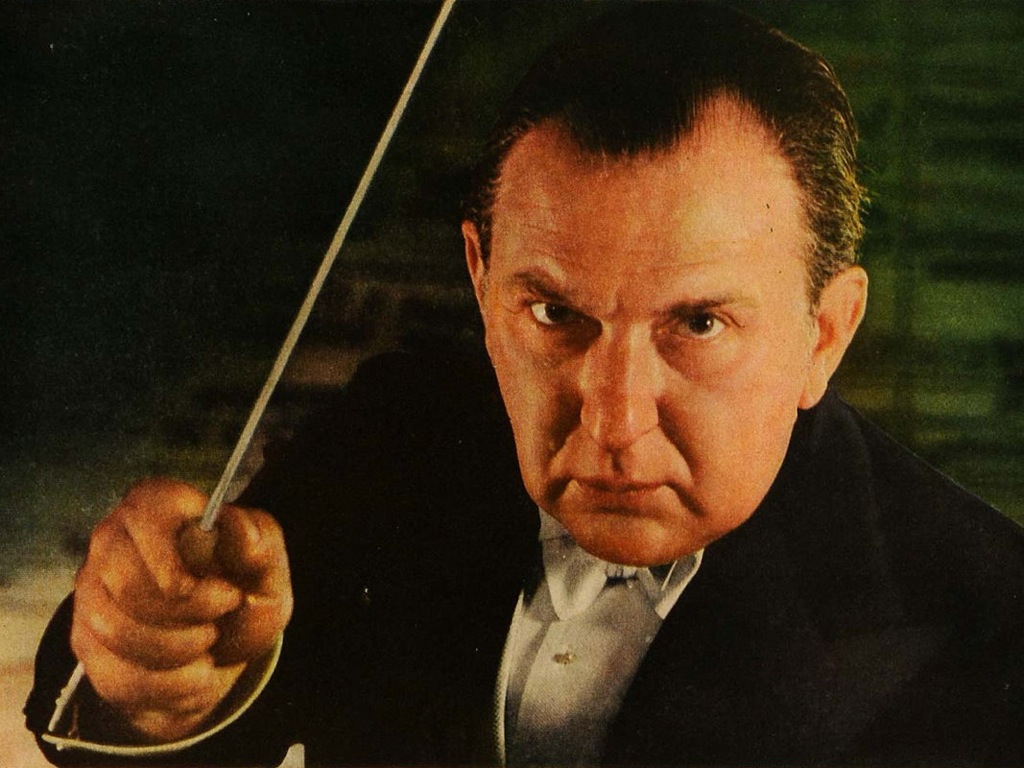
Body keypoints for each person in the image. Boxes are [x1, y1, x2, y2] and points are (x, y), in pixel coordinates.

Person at [26, 3, 1024, 766]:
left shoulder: (995, 618)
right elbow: (142, 720)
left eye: (698, 324)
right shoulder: (394, 435)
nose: (614, 421)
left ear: (824, 335)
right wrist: (151, 681)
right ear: (480, 277)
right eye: (554, 313)